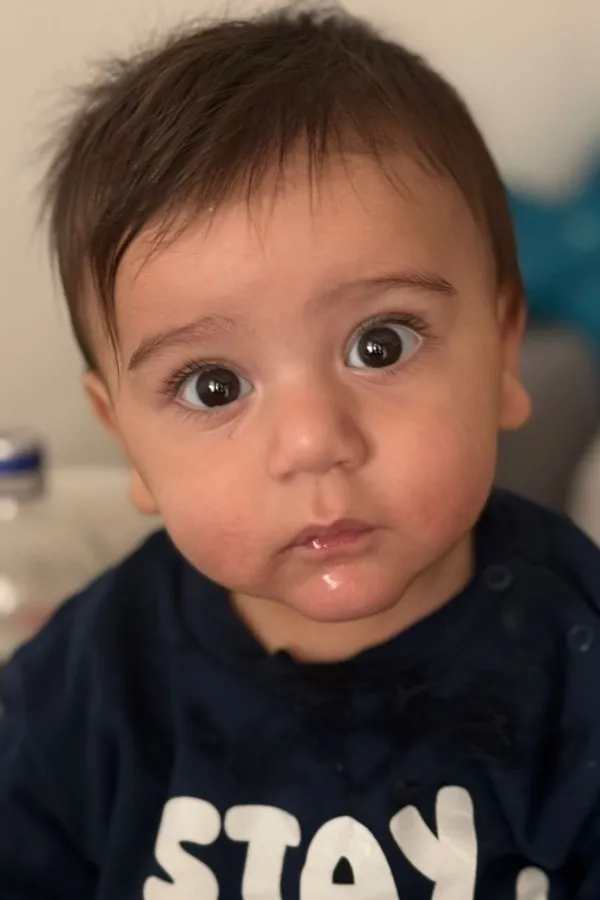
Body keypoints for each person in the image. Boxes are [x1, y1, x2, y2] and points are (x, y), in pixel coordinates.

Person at [1, 6, 599, 898]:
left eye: (381, 345)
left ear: (503, 352)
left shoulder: (574, 663)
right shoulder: (88, 684)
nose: (314, 442)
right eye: (213, 386)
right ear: (125, 437)